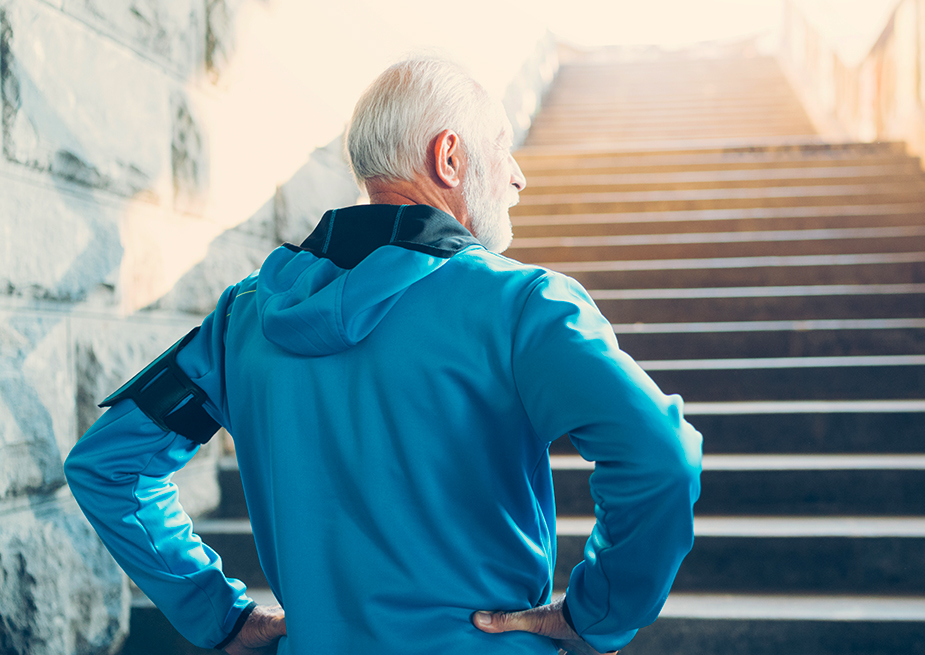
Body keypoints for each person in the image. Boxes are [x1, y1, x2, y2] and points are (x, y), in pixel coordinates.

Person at [64, 57, 702, 655]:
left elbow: (107, 466)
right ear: (449, 157)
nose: (518, 175)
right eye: (503, 145)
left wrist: (217, 615)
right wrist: (599, 613)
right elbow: (659, 456)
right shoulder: (524, 305)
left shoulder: (243, 318)